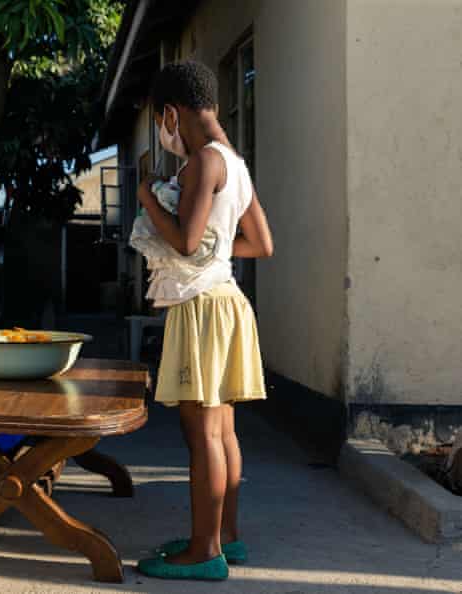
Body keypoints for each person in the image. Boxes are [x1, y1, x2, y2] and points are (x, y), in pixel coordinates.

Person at [135, 61, 274, 581]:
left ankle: (203, 551)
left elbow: (185, 241)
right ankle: (226, 538)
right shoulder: (235, 163)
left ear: (171, 113)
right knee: (224, 431)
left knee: (203, 436)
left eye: (162, 121)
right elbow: (260, 243)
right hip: (228, 299)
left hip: (199, 308)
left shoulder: (201, 164)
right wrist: (213, 254)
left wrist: (149, 195)